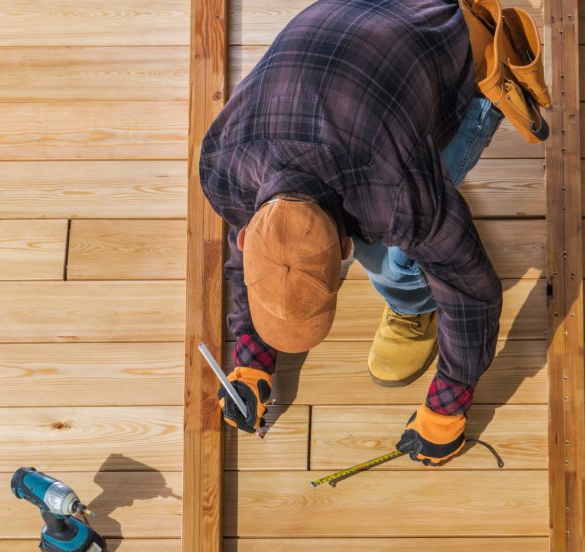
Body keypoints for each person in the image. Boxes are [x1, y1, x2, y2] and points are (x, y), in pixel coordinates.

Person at [199, 0, 510, 466]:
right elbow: (262, 248)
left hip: (458, 38)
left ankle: (411, 307)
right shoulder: (223, 165)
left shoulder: (394, 192)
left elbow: (472, 289)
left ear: (346, 246)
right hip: (357, 25)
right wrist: (250, 355)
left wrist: (448, 406)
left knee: (392, 259)